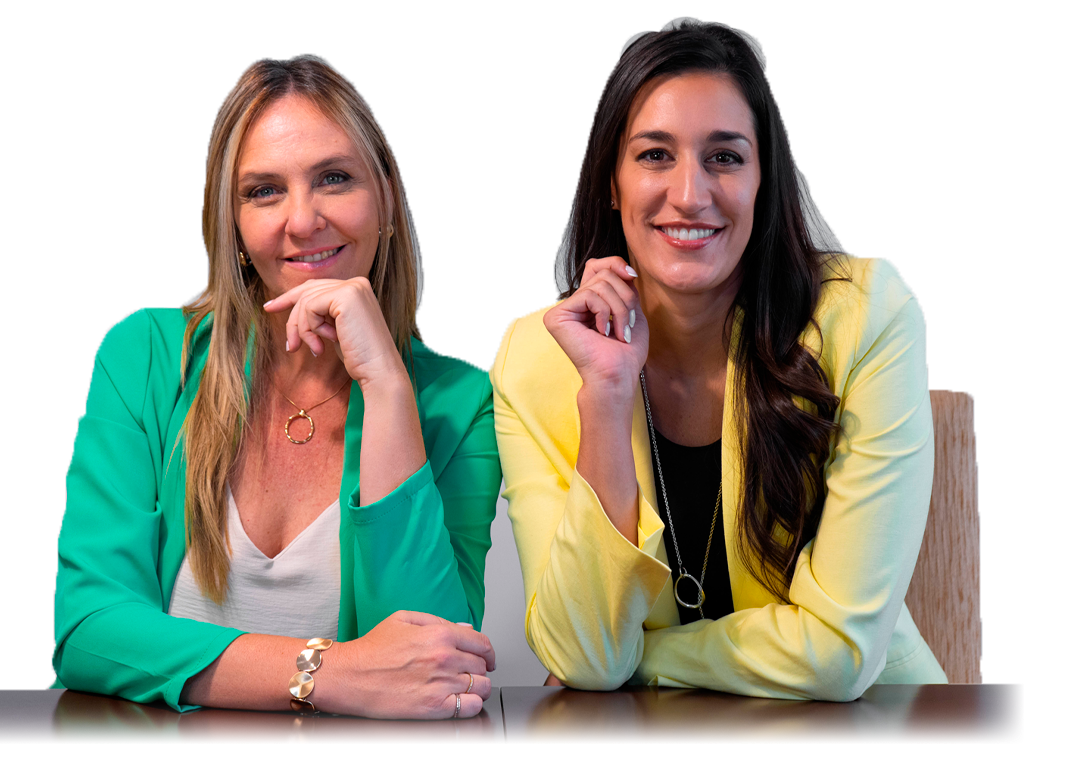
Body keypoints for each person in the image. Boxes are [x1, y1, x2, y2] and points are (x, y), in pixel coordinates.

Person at [489, 20, 948, 701]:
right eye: (654, 155)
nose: (689, 194)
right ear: (611, 182)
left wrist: (645, 658)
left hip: (863, 727)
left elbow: (838, 655)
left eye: (725, 158)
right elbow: (586, 657)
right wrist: (606, 396)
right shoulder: (536, 356)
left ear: (764, 181)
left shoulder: (866, 316)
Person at [53, 56, 500, 720]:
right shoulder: (145, 356)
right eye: (263, 191)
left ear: (385, 196)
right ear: (231, 222)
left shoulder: (461, 402)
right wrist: (325, 671)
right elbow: (89, 629)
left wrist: (386, 388)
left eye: (333, 178)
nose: (302, 219)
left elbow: (434, 668)